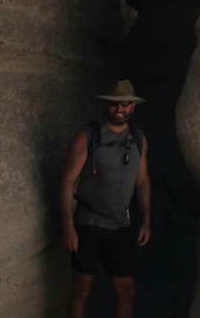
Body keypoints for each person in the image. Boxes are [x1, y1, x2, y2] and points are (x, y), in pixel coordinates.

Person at [60, 80, 151, 318]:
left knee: (127, 290)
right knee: (83, 288)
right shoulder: (88, 136)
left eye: (125, 103)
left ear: (133, 107)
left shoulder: (139, 139)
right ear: (105, 106)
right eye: (114, 104)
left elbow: (142, 181)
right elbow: (68, 180)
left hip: (120, 224)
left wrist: (146, 220)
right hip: (88, 223)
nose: (119, 108)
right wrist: (68, 226)